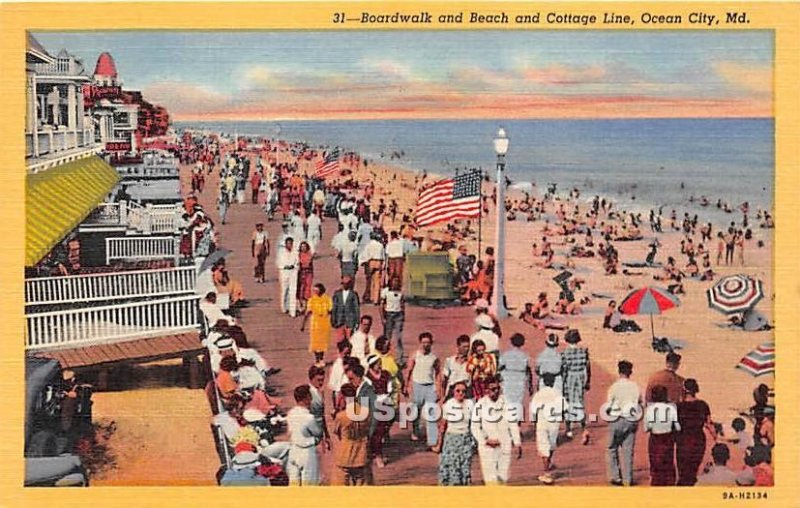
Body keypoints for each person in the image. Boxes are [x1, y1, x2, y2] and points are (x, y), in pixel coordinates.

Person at [471, 375, 522, 485]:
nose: (496, 391)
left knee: (503, 478)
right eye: (493, 389)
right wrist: (485, 440)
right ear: (486, 390)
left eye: (498, 388)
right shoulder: (480, 404)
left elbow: (513, 424)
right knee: (490, 479)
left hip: (504, 444)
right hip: (487, 447)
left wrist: (517, 443)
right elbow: (474, 426)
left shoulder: (507, 403)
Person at [605, 360, 641, 486]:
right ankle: (628, 478)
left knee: (611, 448)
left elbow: (608, 406)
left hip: (617, 419)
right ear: (630, 372)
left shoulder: (614, 387)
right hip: (631, 419)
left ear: (619, 371)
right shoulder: (635, 386)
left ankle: (615, 476)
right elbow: (639, 404)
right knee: (628, 450)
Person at [433, 381, 475, 485]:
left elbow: (473, 423)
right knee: (452, 467)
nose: (461, 393)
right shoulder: (449, 404)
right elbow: (443, 425)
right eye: (458, 391)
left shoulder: (470, 404)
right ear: (453, 392)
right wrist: (439, 444)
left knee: (465, 467)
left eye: (463, 391)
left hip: (465, 439)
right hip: (451, 438)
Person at [529, 373, 568, 484]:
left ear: (543, 382)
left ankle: (547, 473)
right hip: (554, 423)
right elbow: (565, 408)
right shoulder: (557, 393)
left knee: (543, 447)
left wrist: (534, 422)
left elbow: (533, 410)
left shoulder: (539, 394)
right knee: (551, 445)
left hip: (542, 422)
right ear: (553, 382)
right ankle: (549, 464)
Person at [404, 332, 440, 447]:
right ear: (420, 343)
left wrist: (438, 389)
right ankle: (415, 431)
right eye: (423, 342)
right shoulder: (415, 355)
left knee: (431, 413)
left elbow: (438, 373)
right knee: (416, 411)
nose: (425, 345)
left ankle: (432, 440)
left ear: (431, 343)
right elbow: (408, 370)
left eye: (428, 343)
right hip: (417, 386)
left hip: (429, 387)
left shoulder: (434, 358)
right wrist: (406, 385)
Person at [331, 383, 372, 485]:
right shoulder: (366, 412)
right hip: (362, 455)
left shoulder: (341, 416)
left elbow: (337, 432)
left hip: (345, 456)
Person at [676, 378, 714, 486]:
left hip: (683, 440)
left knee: (683, 472)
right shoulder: (703, 404)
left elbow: (675, 426)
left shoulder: (679, 406)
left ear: (684, 389)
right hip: (698, 440)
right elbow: (709, 424)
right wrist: (716, 438)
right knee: (693, 470)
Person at [286, 384, 323, 485]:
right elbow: (318, 432)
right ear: (307, 398)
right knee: (309, 486)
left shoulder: (291, 413)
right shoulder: (309, 417)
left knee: (293, 486)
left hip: (293, 451)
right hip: (306, 453)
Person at [645, 385, 680, 486]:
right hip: (668, 438)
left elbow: (646, 428)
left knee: (655, 463)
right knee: (668, 463)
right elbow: (677, 427)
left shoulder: (650, 409)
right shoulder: (671, 408)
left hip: (655, 438)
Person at [561, 329, 591, 444]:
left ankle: (569, 429)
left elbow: (564, 370)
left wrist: (562, 382)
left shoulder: (565, 353)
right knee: (580, 403)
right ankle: (584, 428)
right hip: (580, 378)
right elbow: (588, 367)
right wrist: (588, 381)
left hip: (570, 378)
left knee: (568, 404)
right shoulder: (583, 351)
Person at [365, 354, 393, 468]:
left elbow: (390, 387)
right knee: (373, 432)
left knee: (381, 431)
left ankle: (376, 454)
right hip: (373, 406)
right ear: (371, 365)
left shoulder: (386, 374)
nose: (380, 366)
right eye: (377, 364)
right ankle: (374, 454)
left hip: (384, 405)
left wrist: (385, 396)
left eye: (380, 363)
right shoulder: (367, 377)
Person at [499, 333, 532, 414]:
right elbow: (529, 371)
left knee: (507, 400)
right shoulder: (525, 355)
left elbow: (500, 366)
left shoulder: (506, 354)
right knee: (518, 401)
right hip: (520, 380)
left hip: (508, 379)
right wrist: (530, 385)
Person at [301, 283, 333, 367]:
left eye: (316, 290)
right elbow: (307, 313)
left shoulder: (327, 299)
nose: (315, 292)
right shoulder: (312, 300)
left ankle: (321, 359)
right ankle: (317, 359)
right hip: (315, 324)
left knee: (323, 343)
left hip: (324, 323)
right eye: (314, 290)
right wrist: (303, 325)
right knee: (315, 343)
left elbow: (331, 310)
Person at [380, 277, 406, 365]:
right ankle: (386, 355)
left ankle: (400, 358)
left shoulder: (400, 292)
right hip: (389, 315)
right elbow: (382, 305)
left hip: (398, 315)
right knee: (387, 337)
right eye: (394, 281)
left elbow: (402, 304)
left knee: (398, 337)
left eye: (397, 282)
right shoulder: (385, 292)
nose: (395, 283)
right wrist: (382, 317)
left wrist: (403, 316)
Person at [308, 365, 332, 452]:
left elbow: (322, 415)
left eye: (323, 380)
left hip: (319, 432)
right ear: (311, 379)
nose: (321, 383)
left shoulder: (320, 392)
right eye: (319, 380)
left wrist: (327, 435)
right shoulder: (308, 394)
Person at [442, 335, 471, 400]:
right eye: (464, 347)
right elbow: (444, 380)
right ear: (458, 346)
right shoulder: (449, 361)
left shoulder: (472, 362)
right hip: (452, 393)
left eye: (468, 347)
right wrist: (443, 396)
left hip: (466, 393)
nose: (466, 349)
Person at [331, 276, 361, 340]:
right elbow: (334, 307)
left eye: (346, 283)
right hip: (339, 321)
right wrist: (333, 319)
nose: (345, 285)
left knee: (349, 340)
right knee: (340, 340)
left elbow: (356, 308)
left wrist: (357, 322)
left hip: (350, 321)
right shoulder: (337, 294)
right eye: (343, 283)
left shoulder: (353, 294)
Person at [276, 237, 300, 317]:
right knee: (284, 290)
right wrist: (284, 266)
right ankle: (284, 307)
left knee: (293, 291)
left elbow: (297, 262)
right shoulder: (281, 252)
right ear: (285, 244)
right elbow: (278, 263)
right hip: (284, 272)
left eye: (291, 243)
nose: (289, 245)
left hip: (293, 272)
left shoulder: (295, 252)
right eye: (288, 243)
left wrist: (295, 267)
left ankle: (292, 311)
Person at [327, 339, 352, 411]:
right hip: (341, 395)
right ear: (340, 352)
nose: (347, 355)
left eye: (349, 353)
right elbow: (334, 387)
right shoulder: (337, 365)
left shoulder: (351, 362)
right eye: (345, 353)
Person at [296, 241, 314, 314]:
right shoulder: (298, 255)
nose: (303, 248)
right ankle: (300, 306)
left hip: (308, 273)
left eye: (304, 247)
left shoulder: (309, 255)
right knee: (300, 289)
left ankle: (306, 306)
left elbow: (309, 264)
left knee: (307, 288)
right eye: (302, 247)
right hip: (301, 273)